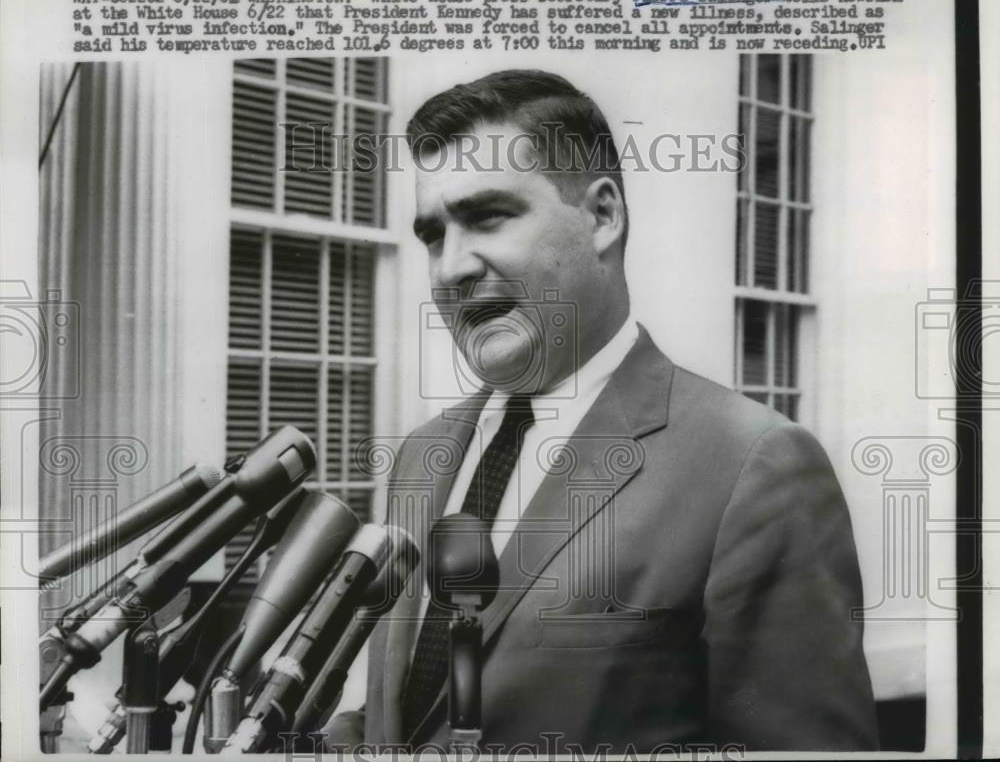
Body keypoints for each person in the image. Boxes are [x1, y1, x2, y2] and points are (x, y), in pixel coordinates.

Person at [327, 69, 878, 753]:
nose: (450, 268)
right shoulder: (420, 455)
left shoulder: (753, 466)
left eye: (487, 217)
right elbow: (399, 717)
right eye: (433, 235)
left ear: (603, 216)